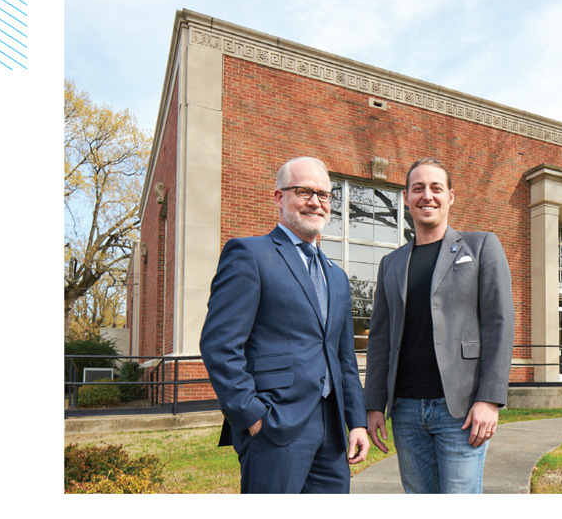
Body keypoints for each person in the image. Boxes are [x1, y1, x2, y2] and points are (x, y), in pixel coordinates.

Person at [201, 156, 371, 493]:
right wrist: (251, 416)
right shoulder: (249, 254)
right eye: (304, 192)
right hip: (274, 426)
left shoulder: (337, 276)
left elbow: (343, 357)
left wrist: (356, 422)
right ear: (279, 197)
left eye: (324, 195)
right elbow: (220, 345)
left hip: (333, 430)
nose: (316, 202)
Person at [364, 157, 515, 494]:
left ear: (451, 196)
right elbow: (380, 340)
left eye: (436, 188)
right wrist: (373, 405)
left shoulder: (481, 246)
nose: (427, 196)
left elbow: (499, 324)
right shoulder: (391, 263)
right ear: (406, 197)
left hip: (461, 409)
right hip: (405, 410)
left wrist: (490, 399)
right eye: (418, 188)